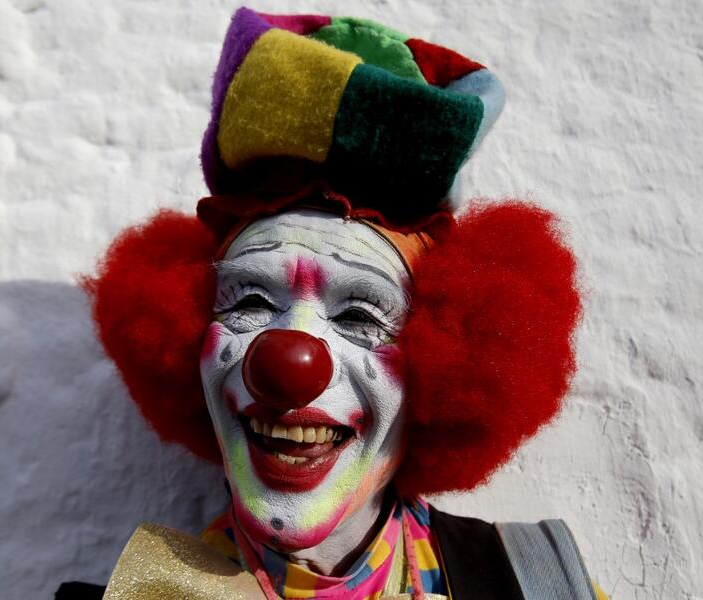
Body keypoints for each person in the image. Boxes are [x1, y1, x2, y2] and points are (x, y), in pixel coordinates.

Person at [79, 9, 605, 600]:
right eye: (250, 299)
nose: (290, 362)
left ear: (449, 368)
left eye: (361, 315)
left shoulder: (538, 585)